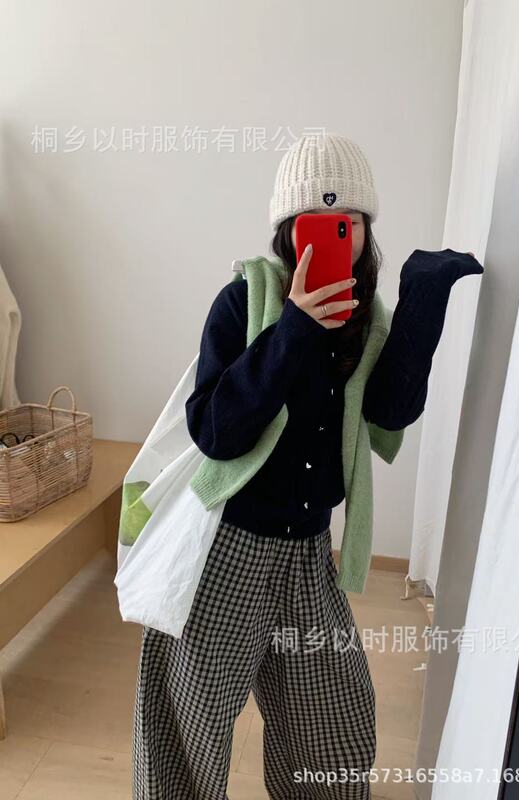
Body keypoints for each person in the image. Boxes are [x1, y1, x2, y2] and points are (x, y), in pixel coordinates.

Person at [131, 132, 483, 800]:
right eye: (314, 221)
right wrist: (292, 328)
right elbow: (216, 433)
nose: (333, 235)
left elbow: (391, 413)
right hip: (225, 552)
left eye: (348, 222)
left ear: (365, 232)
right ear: (288, 230)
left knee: (333, 722)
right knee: (186, 726)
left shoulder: (365, 321)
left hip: (307, 553)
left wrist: (421, 301)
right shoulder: (242, 301)